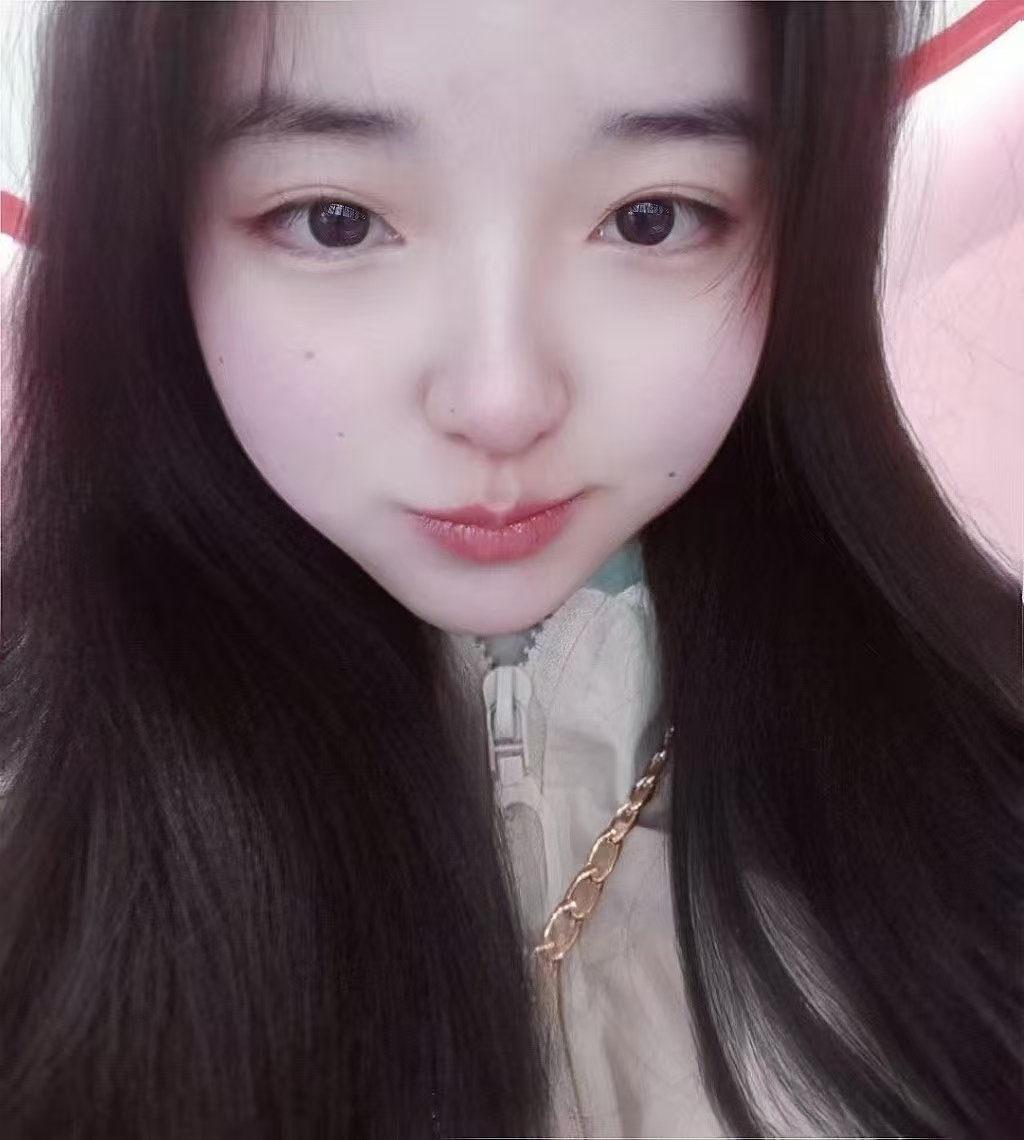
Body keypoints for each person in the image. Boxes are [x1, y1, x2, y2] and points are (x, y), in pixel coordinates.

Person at [0, 2, 1020, 1137]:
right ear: (148, 239)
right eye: (337, 220)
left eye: (650, 218)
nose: (502, 400)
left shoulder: (981, 771)